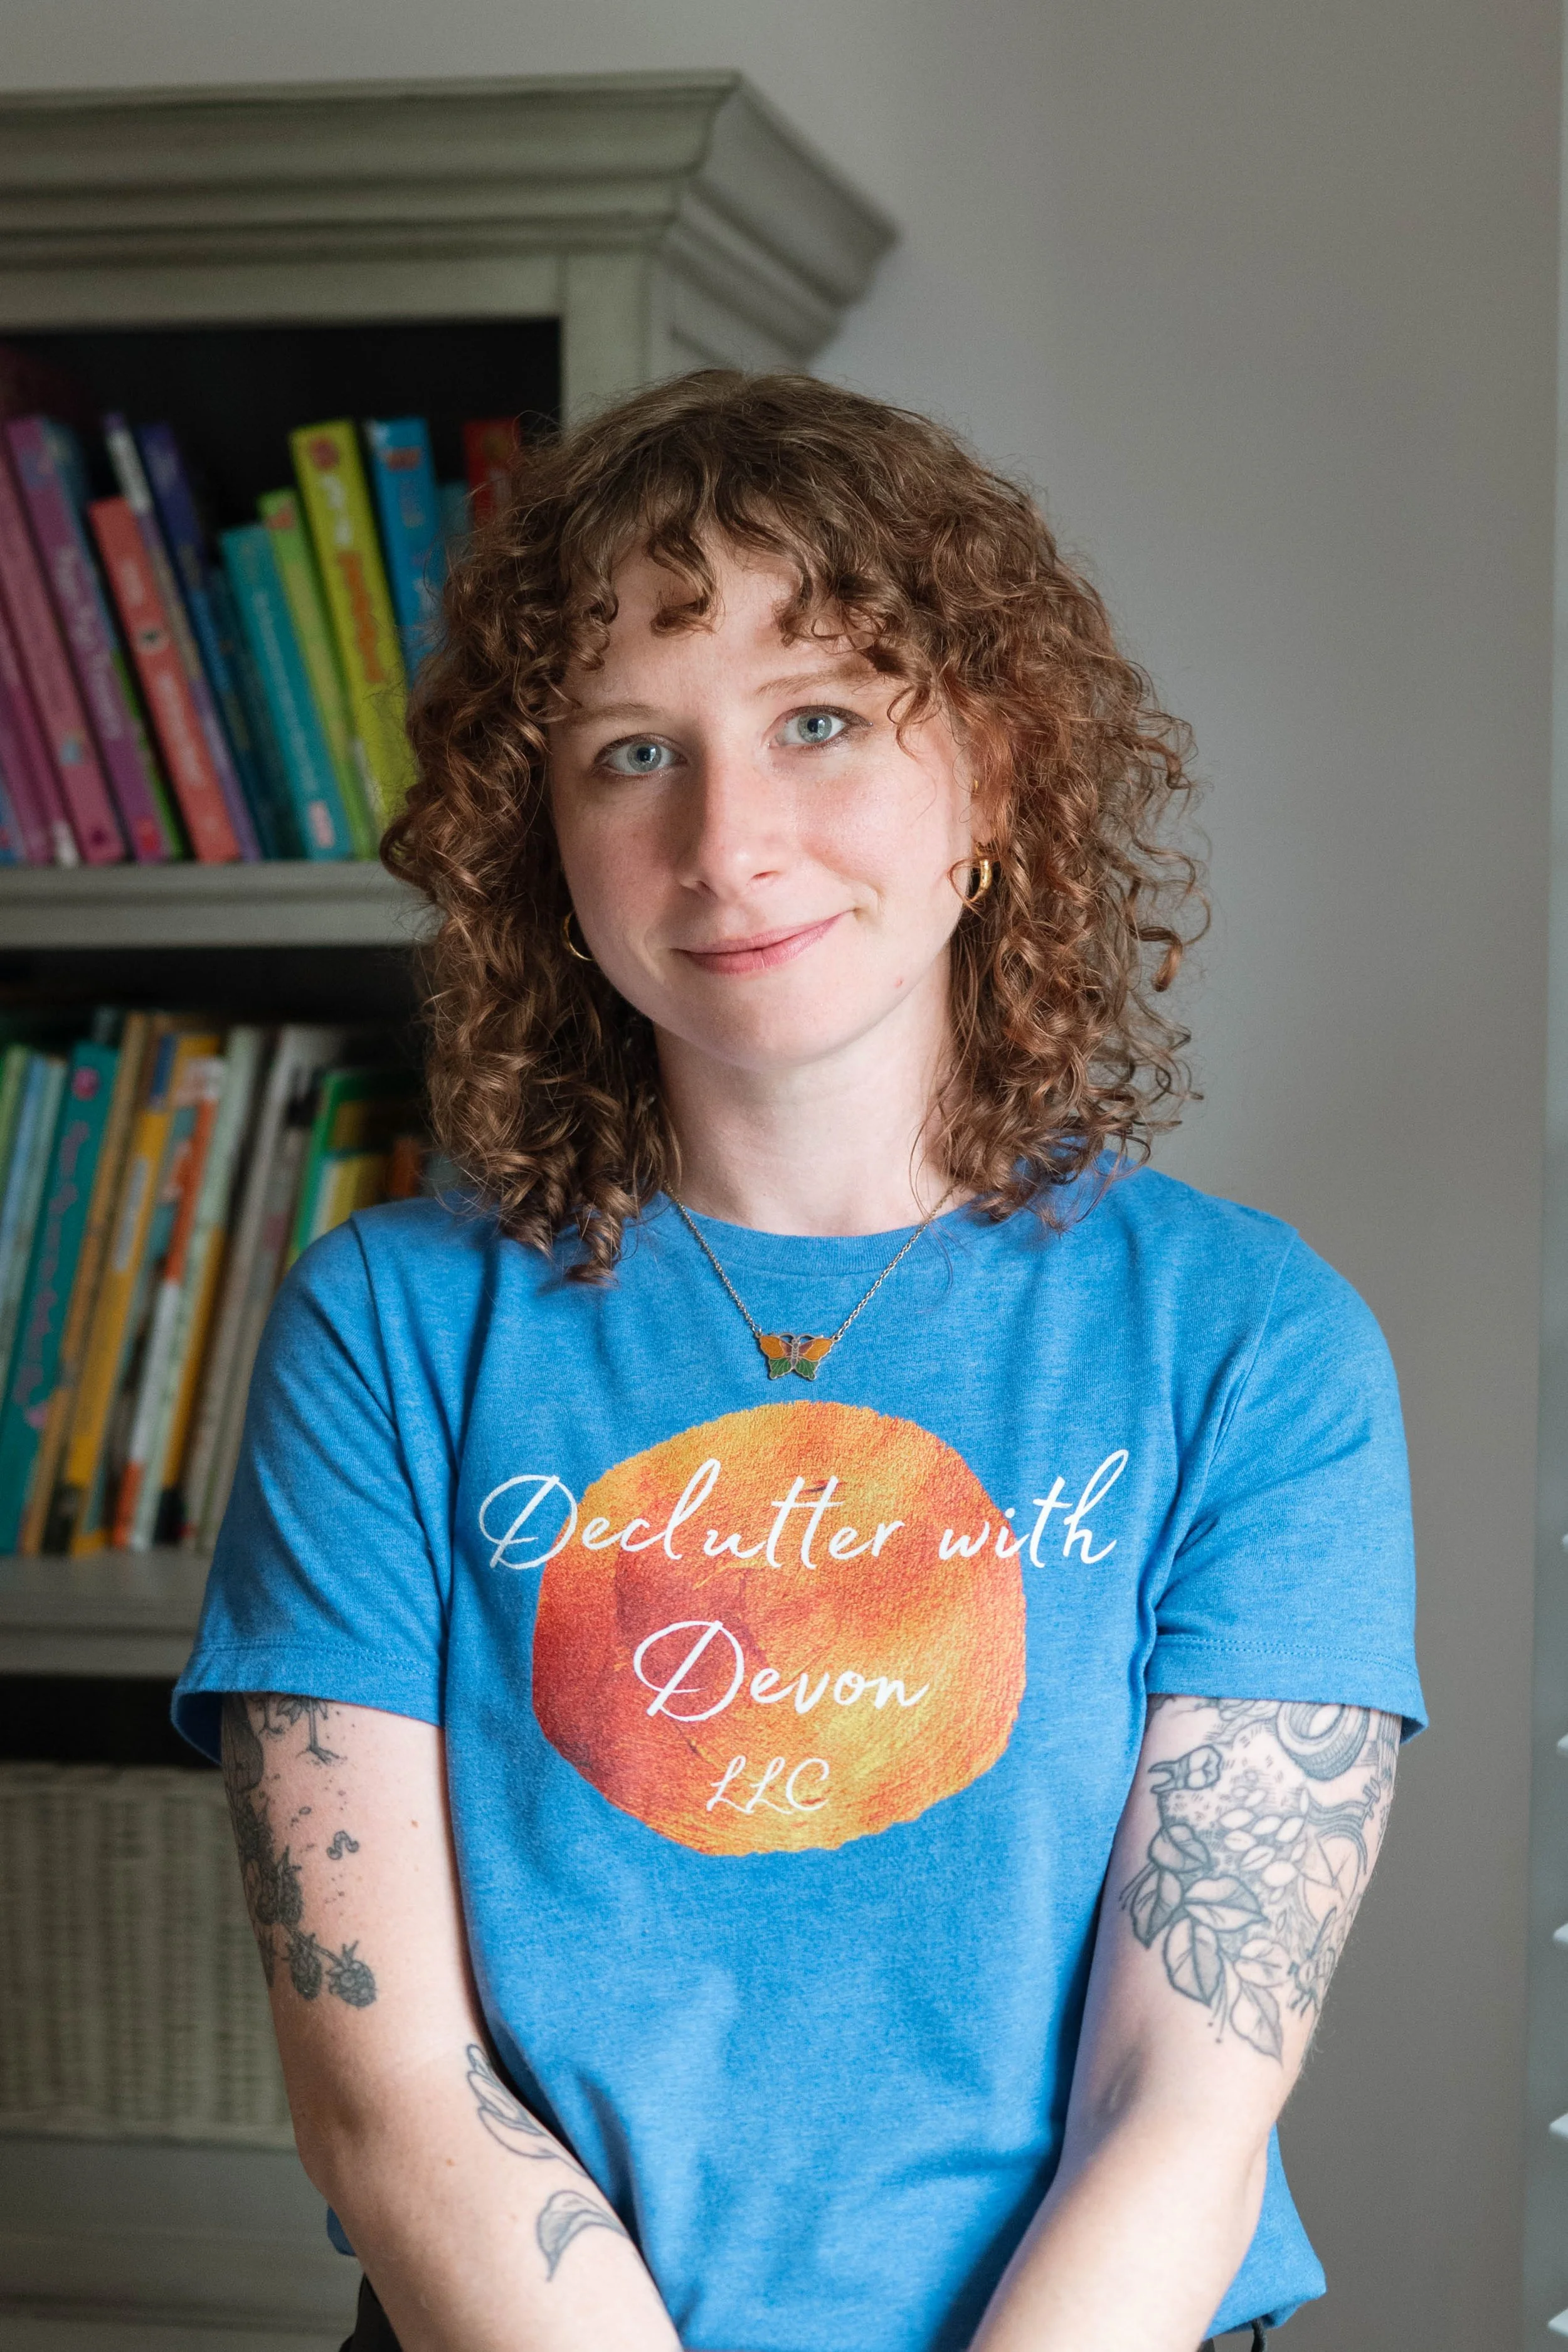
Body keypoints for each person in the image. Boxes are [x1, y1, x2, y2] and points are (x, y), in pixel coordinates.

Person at [174, 371, 1424, 2352]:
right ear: (543, 843)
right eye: (626, 753)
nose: (726, 842)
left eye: (819, 721)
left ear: (992, 777)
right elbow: (387, 2085)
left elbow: (1183, 2090)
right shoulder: (391, 1330)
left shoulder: (1250, 1345)